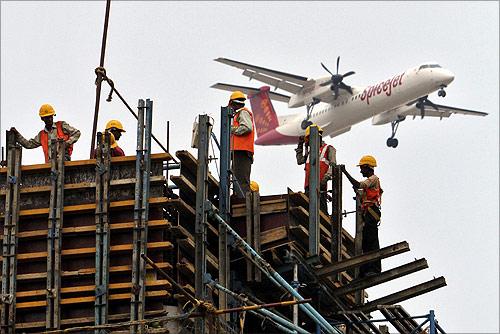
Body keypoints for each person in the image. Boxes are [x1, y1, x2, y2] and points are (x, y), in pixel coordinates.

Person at [341, 155, 383, 277]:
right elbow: (358, 188)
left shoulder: (373, 179)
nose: (360, 171)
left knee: (371, 240)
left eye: (362, 168)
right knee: (365, 241)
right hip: (367, 213)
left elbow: (359, 185)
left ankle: (374, 269)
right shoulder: (370, 182)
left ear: (367, 167)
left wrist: (345, 172)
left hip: (371, 212)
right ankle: (365, 269)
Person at [10, 104, 80, 162]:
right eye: (47, 117)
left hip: (64, 160)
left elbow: (77, 133)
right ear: (42, 119)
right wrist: (17, 135)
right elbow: (29, 144)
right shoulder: (42, 135)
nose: (49, 119)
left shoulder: (61, 125)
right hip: (49, 164)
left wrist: (67, 143)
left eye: (50, 117)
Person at [295, 124, 336, 213]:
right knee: (308, 213)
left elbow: (333, 167)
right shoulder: (310, 152)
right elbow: (300, 161)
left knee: (322, 213)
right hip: (308, 188)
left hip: (320, 187)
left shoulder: (328, 149)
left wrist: (325, 179)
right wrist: (300, 145)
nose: (308, 143)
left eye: (308, 140)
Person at [229, 91, 255, 197]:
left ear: (233, 103)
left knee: (241, 180)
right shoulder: (238, 114)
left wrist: (232, 130)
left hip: (242, 151)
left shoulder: (242, 112)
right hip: (238, 151)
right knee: (236, 178)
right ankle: (238, 198)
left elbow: (247, 127)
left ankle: (243, 201)